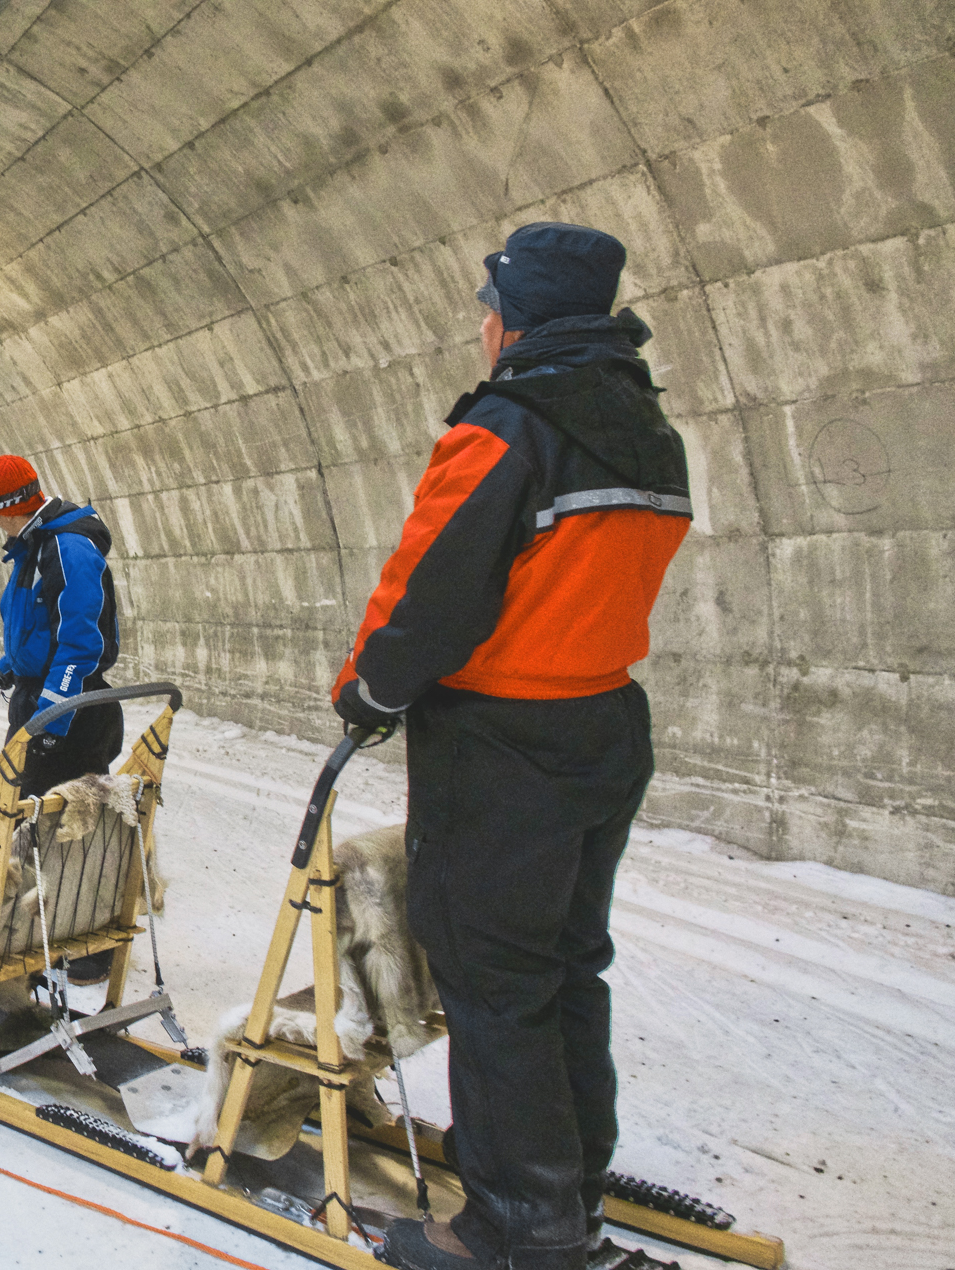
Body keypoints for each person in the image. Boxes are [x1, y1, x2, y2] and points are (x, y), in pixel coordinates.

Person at [330, 223, 692, 1270]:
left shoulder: (505, 424)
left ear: (514, 315)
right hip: (603, 728)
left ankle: (513, 1230)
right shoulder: (644, 429)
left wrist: (370, 688)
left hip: (501, 742)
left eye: (486, 307)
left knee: (492, 979)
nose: (480, 326)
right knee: (568, 965)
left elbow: (431, 585)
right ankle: (565, 1183)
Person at [0, 454, 123, 800]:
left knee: (51, 831)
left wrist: (53, 720)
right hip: (40, 701)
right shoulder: (36, 546)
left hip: (71, 713)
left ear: (7, 509)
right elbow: (38, 626)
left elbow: (80, 643)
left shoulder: (67, 550)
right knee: (22, 816)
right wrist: (9, 667)